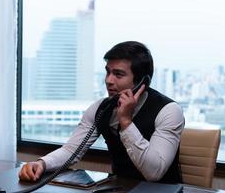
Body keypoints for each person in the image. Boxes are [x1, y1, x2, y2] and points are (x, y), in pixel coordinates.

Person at [19, 41, 185, 183]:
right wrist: (42, 163)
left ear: (142, 81)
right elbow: (71, 151)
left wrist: (126, 122)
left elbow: (154, 173)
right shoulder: (102, 108)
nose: (108, 80)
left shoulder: (169, 111)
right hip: (120, 187)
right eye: (108, 72)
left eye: (118, 74)